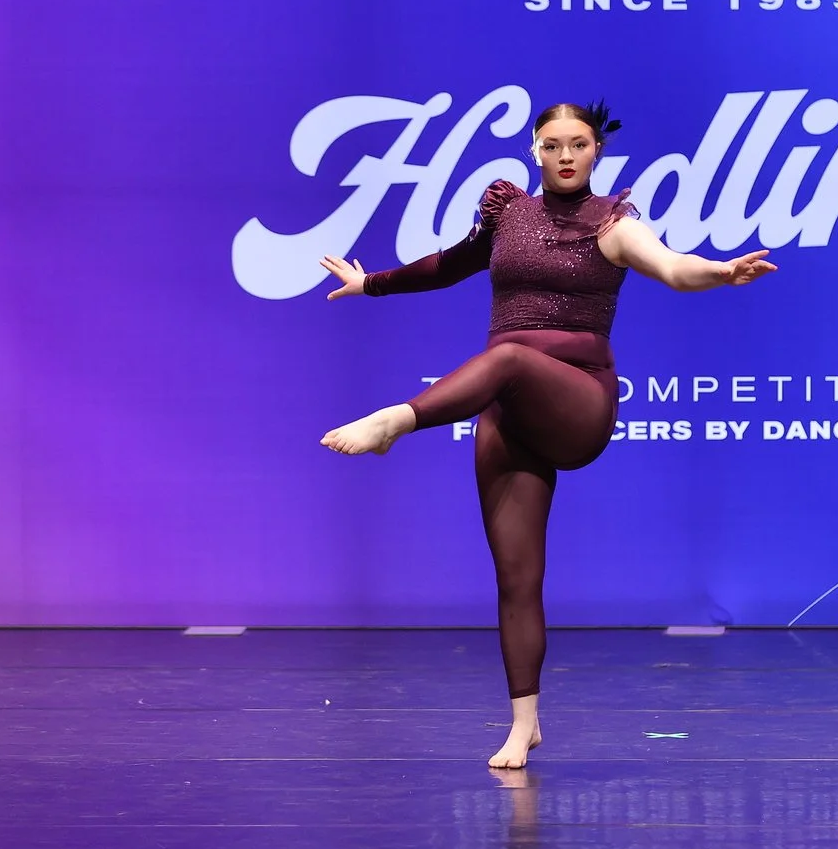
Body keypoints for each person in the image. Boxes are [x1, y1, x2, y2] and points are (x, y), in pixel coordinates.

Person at [318, 101, 777, 768]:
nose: (566, 155)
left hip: (578, 403)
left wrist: (721, 272)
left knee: (505, 357)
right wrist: (372, 284)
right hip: (508, 413)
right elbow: (449, 264)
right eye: (554, 144)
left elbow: (675, 267)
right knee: (516, 577)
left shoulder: (612, 225)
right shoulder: (507, 213)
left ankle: (397, 420)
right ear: (535, 148)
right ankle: (522, 724)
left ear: (596, 152)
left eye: (579, 145)